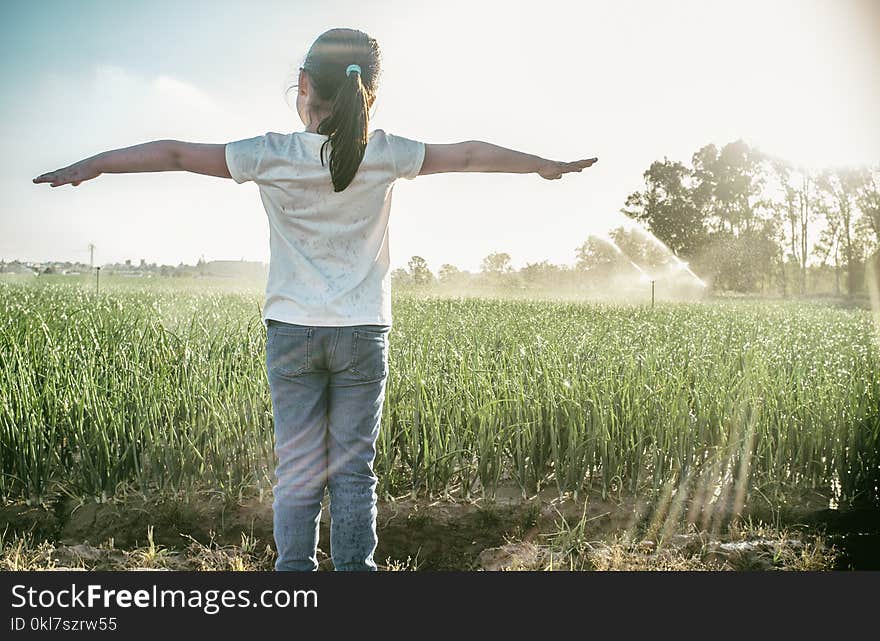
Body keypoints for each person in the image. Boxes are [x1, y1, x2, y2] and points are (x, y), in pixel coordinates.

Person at [33, 27, 597, 571]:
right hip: (362, 334)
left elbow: (177, 153)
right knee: (355, 474)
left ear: (304, 85)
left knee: (298, 471)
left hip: (292, 333)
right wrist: (543, 165)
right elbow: (471, 154)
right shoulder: (386, 153)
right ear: (368, 90)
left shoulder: (269, 153)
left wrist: (95, 166)